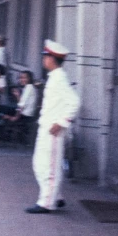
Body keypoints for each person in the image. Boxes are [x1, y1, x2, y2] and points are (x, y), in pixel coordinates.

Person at [26, 40, 80, 214]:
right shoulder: (55, 77)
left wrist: (62, 122)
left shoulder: (59, 79)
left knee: (50, 167)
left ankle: (46, 203)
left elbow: (74, 102)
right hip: (46, 128)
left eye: (45, 56)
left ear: (51, 59)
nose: (44, 59)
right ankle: (55, 197)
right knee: (39, 164)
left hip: (54, 131)